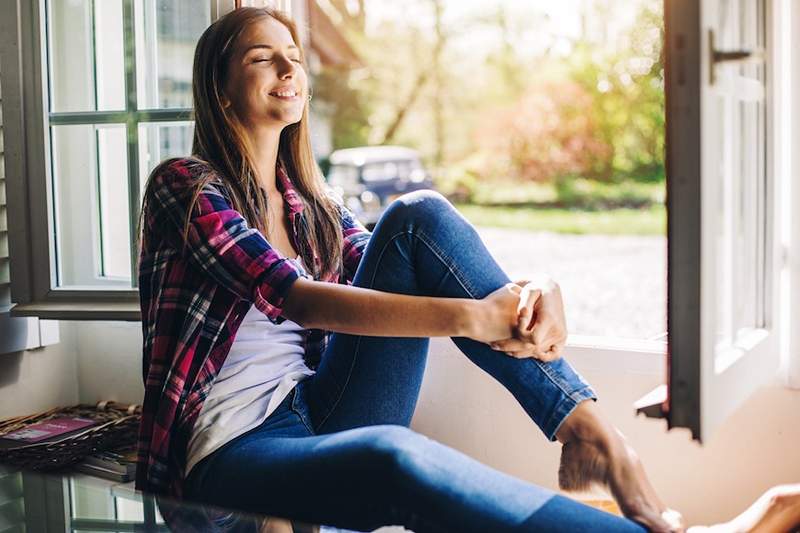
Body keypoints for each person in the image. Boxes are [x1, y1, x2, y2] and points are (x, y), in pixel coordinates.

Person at [135, 6, 683, 532]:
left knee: (418, 215)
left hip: (318, 408)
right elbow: (295, 296)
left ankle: (591, 435)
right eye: (262, 58)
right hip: (233, 450)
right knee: (392, 459)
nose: (288, 70)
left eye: (295, 57)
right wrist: (473, 319)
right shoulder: (183, 185)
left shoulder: (313, 205)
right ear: (219, 89)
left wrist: (537, 287)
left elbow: (417, 260)